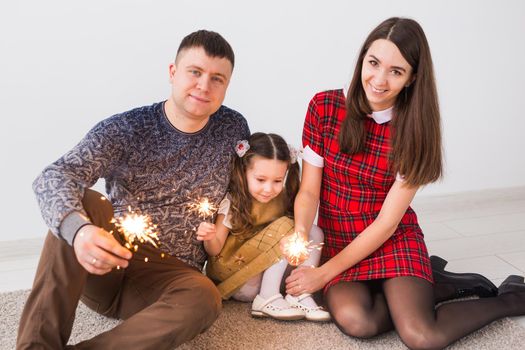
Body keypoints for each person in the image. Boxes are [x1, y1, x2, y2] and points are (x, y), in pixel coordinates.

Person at [285, 17, 525, 349]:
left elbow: (386, 223)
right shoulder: (324, 106)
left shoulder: (415, 130)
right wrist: (301, 234)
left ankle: (511, 299)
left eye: (396, 71)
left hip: (391, 239)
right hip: (340, 240)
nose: (379, 80)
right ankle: (435, 286)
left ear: (412, 78)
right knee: (358, 321)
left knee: (422, 336)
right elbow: (309, 190)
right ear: (362, 59)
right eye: (373, 63)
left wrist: (323, 275)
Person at [17, 30, 250, 349]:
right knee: (85, 200)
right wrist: (81, 232)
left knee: (205, 297)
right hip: (108, 259)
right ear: (173, 72)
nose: (204, 85)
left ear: (227, 85)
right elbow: (53, 176)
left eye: (217, 78)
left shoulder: (233, 128)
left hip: (170, 278)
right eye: (195, 72)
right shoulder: (126, 128)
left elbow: (249, 186)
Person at [200, 132, 330, 321]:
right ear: (244, 172)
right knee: (288, 226)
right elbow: (215, 249)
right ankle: (266, 297)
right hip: (240, 278)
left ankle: (299, 292)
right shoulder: (234, 201)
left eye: (277, 181)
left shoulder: (284, 197)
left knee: (313, 231)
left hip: (263, 272)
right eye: (261, 180)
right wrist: (209, 236)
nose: (269, 189)